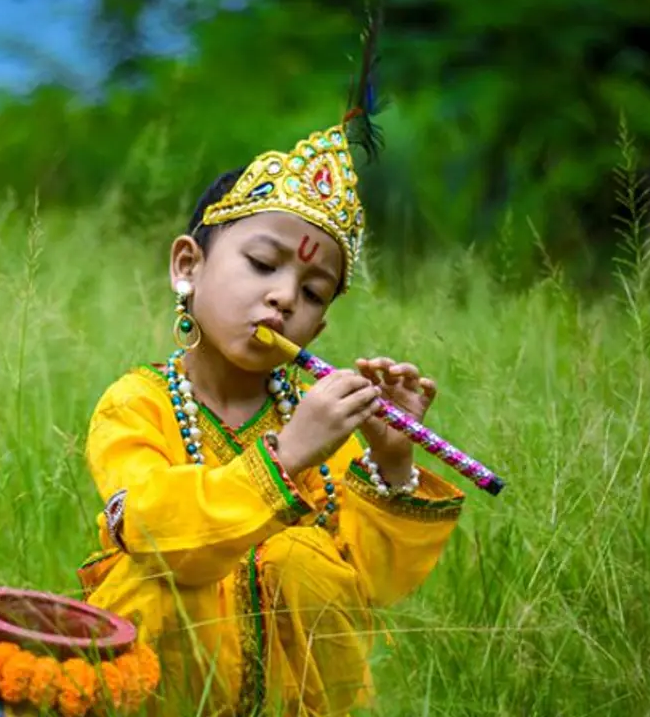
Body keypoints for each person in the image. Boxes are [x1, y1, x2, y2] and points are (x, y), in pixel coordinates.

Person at [74, 119, 469, 716]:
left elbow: (369, 588)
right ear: (188, 266)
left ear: (320, 328)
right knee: (157, 576)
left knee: (301, 558)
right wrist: (284, 458)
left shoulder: (320, 419)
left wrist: (391, 459)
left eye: (313, 293)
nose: (285, 298)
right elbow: (153, 530)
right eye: (263, 263)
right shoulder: (137, 403)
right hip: (164, 696)